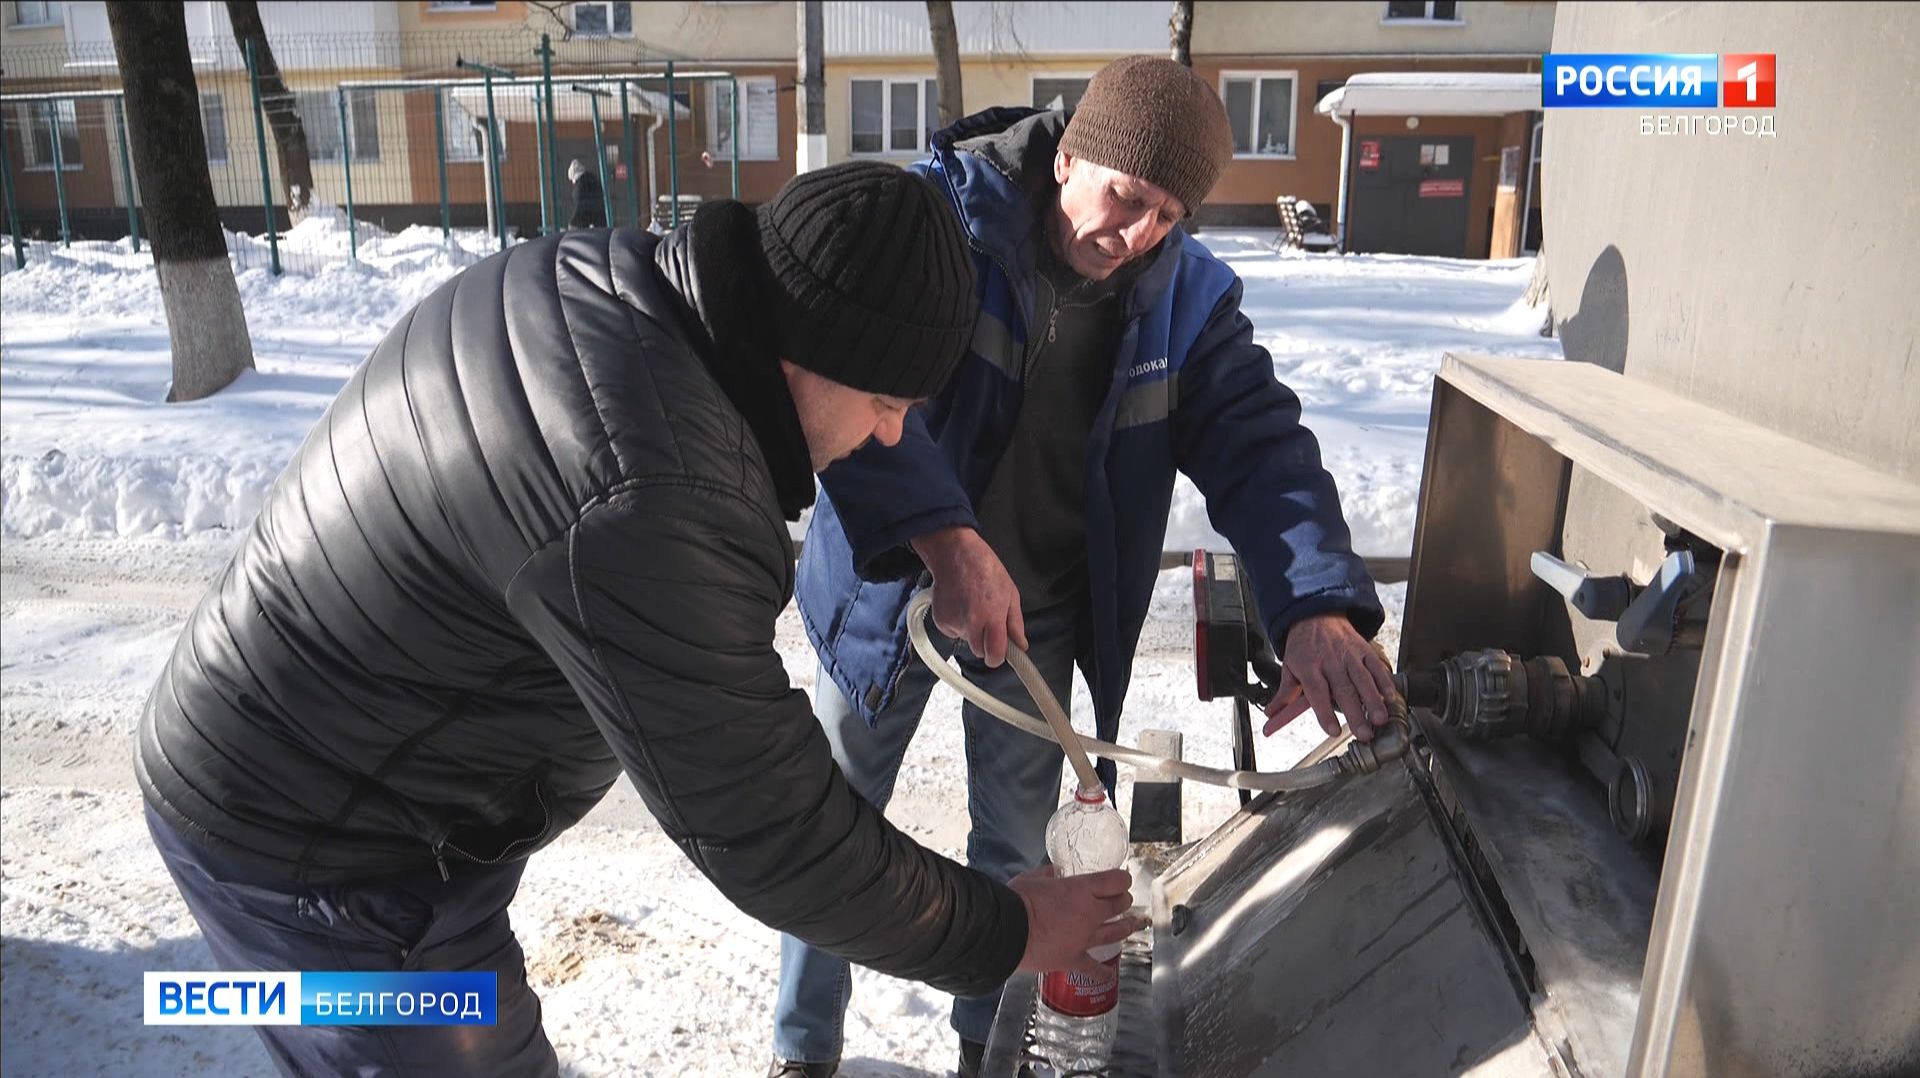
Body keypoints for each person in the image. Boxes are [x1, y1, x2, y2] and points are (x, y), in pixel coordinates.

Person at [137, 161, 1139, 1078]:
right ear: (805, 348)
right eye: (886, 403)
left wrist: (942, 532)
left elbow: (814, 379)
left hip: (362, 780)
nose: (891, 436)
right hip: (320, 848)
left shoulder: (630, 286)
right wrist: (1009, 930)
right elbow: (772, 828)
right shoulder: (652, 492)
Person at [773, 57, 1398, 1077]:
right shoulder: (941, 228)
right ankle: (803, 1049)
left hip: (1039, 616)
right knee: (831, 824)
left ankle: (987, 1047)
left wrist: (1317, 606)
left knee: (1021, 848)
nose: (1141, 235)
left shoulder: (1185, 303)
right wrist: (947, 539)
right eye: (1128, 199)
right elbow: (860, 399)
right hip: (894, 590)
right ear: (1068, 156)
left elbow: (1264, 451)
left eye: (1171, 216)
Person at [568, 157, 606, 228]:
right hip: (600, 220)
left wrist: (573, 222)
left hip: (587, 221)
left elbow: (580, 206)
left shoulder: (580, 187)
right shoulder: (593, 180)